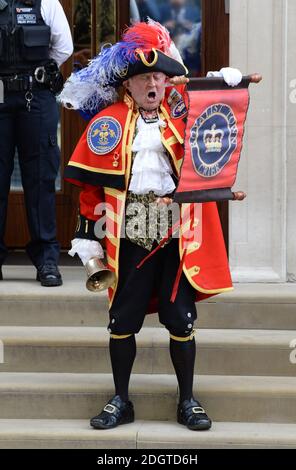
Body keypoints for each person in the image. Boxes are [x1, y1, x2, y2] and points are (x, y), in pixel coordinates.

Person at [60, 20, 242, 430]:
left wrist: (226, 87)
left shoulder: (181, 115)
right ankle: (121, 401)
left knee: (180, 318)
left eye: (158, 76)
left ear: (166, 79)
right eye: (144, 78)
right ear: (129, 85)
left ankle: (188, 400)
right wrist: (87, 239)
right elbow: (91, 190)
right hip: (127, 238)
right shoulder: (107, 123)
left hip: (178, 236)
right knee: (123, 320)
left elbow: (217, 122)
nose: (153, 85)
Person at [0, 0, 73, 286]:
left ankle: (46, 261)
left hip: (35, 95)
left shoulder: (46, 2)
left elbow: (64, 46)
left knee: (40, 180)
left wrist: (35, 74)